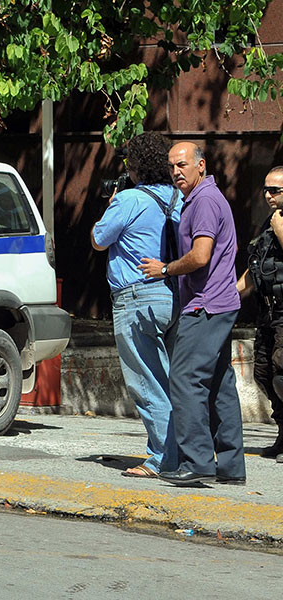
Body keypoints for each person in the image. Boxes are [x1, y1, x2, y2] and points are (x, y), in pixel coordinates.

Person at [138, 141, 246, 486]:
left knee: (184, 380)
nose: (176, 172)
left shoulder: (203, 201)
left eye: (182, 165)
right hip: (219, 302)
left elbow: (200, 256)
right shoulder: (207, 200)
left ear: (201, 165)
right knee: (218, 384)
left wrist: (166, 269)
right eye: (172, 166)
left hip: (206, 305)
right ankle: (230, 467)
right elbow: (228, 247)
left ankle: (197, 461)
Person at [91, 132, 180, 479]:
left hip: (136, 298)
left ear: (137, 166)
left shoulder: (128, 199)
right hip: (171, 294)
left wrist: (111, 202)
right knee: (170, 379)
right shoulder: (177, 198)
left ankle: (161, 459)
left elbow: (99, 240)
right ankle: (181, 452)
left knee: (145, 379)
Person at [236, 166, 283, 461]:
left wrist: (279, 222)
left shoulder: (278, 222)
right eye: (265, 190)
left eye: (275, 191)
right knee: (265, 373)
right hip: (268, 313)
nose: (267, 195)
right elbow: (255, 271)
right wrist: (226, 296)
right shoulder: (269, 224)